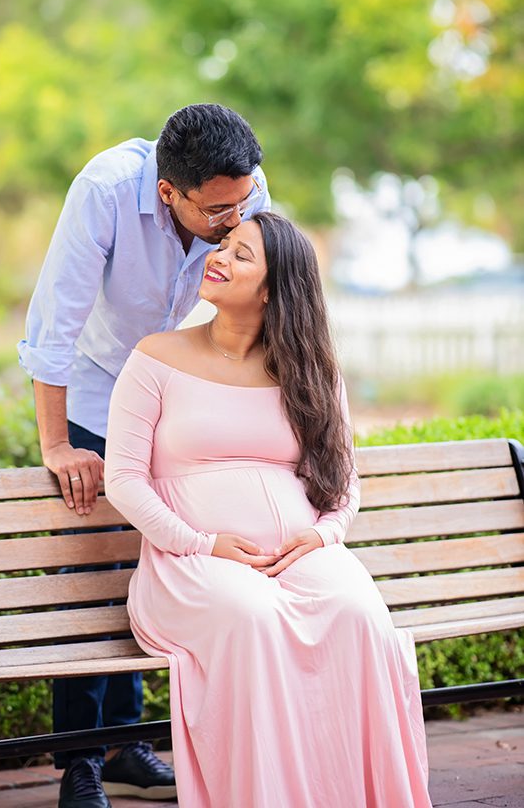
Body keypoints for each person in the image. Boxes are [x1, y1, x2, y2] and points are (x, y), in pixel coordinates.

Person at [104, 212, 434, 808]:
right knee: (251, 617)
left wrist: (326, 534)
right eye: (223, 244)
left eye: (242, 255)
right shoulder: (155, 357)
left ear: (272, 289)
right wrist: (202, 543)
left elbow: (344, 480)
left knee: (360, 613)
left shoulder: (309, 369)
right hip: (190, 565)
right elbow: (123, 479)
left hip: (297, 555)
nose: (219, 257)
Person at [18, 103, 271, 808]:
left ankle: (129, 745)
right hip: (97, 389)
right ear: (169, 192)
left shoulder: (241, 189)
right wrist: (58, 443)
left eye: (241, 203)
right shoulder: (103, 191)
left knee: (154, 559)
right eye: (217, 209)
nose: (232, 220)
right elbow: (53, 326)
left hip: (171, 388)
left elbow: (266, 301)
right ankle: (80, 763)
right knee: (91, 568)